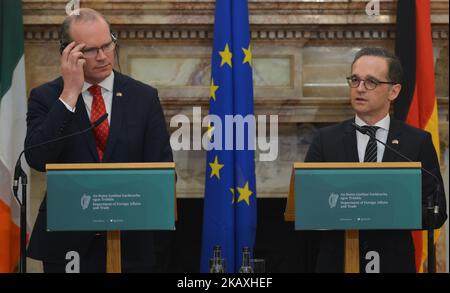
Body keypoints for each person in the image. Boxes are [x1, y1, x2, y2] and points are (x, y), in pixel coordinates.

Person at [25, 8, 173, 273]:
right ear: (68, 52)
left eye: (107, 44)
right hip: (66, 241)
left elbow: (163, 172)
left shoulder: (143, 97)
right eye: (91, 50)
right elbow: (37, 159)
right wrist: (70, 93)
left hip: (130, 242)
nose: (103, 56)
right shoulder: (46, 97)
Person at [300, 47, 447, 273]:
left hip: (393, 262)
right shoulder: (325, 140)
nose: (359, 88)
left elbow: (436, 211)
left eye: (370, 82)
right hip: (337, 262)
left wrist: (381, 208)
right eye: (355, 80)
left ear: (393, 91)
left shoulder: (416, 142)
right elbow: (307, 204)